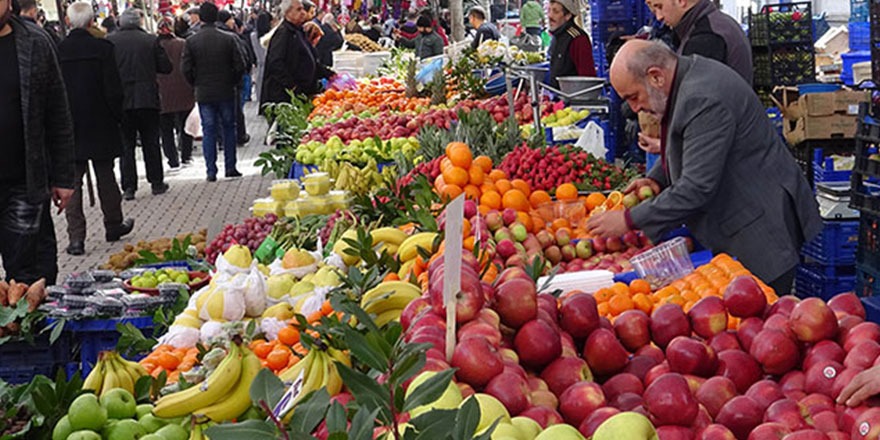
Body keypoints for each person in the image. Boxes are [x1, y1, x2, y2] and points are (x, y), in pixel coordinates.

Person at [586, 40, 821, 294]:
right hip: (741, 219)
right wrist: (657, 180)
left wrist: (629, 219)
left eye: (633, 97)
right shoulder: (685, 79)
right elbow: (691, 148)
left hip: (758, 231)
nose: (634, 108)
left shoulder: (702, 97)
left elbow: (696, 187)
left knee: (760, 314)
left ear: (655, 76)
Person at [1, 0, 75, 283]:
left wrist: (64, 176)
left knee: (30, 275)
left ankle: (31, 327)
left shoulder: (35, 43)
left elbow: (58, 113)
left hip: (24, 181)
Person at [58, 2, 134, 256]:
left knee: (72, 182)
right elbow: (114, 89)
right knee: (106, 176)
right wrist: (117, 117)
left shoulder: (59, 50)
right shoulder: (102, 48)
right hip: (100, 121)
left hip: (69, 125)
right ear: (92, 22)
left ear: (68, 22)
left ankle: (76, 238)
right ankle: (113, 225)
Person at [107, 8, 172, 200]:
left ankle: (129, 187)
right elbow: (166, 67)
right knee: (151, 141)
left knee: (126, 145)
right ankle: (157, 183)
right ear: (139, 22)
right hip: (147, 98)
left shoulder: (111, 42)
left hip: (122, 100)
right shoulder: (151, 40)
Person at [182, 2, 245, 182]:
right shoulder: (228, 39)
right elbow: (240, 64)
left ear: (200, 18)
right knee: (229, 128)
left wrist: (195, 83)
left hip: (204, 92)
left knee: (209, 130)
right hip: (226, 90)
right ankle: (230, 167)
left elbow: (185, 68)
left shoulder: (192, 41)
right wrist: (233, 81)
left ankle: (211, 170)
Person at [649, 0, 752, 85]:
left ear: (681, 1)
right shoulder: (717, 23)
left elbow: (694, 97)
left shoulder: (706, 37)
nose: (659, 17)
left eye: (660, 7)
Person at [260, 0, 333, 105]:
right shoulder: (284, 33)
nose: (303, 12)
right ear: (287, 12)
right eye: (299, 9)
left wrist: (329, 74)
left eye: (303, 8)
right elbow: (275, 63)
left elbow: (308, 59)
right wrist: (293, 87)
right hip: (285, 98)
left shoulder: (298, 31)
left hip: (300, 93)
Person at [157, 16, 195, 168]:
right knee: (186, 125)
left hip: (162, 93)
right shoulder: (183, 44)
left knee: (166, 129)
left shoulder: (154, 45)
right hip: (183, 89)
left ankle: (172, 160)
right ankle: (186, 155)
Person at [218, 9, 253, 146]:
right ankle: (237, 137)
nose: (233, 21)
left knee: (215, 117)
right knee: (234, 113)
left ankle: (221, 140)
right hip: (230, 83)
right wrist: (238, 77)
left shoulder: (198, 38)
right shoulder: (232, 37)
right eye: (231, 19)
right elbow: (242, 60)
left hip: (208, 86)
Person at [546, 0, 595, 88]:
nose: (550, 16)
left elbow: (588, 79)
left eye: (555, 12)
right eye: (549, 11)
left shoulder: (578, 39)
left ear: (568, 15)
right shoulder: (557, 36)